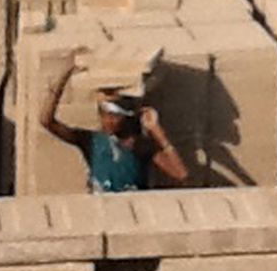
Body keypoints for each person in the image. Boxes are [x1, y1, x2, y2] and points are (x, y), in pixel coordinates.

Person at [40, 51, 188, 192]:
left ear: (127, 116)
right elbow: (47, 121)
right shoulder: (91, 141)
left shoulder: (138, 145)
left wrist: (156, 130)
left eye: (114, 116)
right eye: (104, 115)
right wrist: (65, 74)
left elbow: (180, 173)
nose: (108, 121)